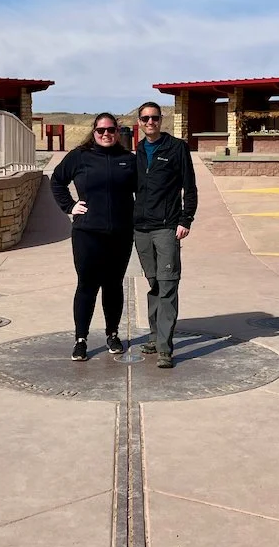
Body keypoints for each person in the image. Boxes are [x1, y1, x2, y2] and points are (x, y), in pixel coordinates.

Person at [50, 113, 137, 362]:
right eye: (101, 131)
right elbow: (57, 181)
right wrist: (69, 206)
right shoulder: (80, 156)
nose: (106, 134)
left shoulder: (128, 160)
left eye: (111, 130)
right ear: (94, 132)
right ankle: (81, 339)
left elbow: (143, 191)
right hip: (87, 233)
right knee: (87, 286)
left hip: (120, 234)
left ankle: (112, 334)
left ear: (117, 131)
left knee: (113, 285)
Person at [132, 102, 197, 370]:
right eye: (145, 118)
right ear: (139, 121)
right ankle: (154, 336)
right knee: (154, 284)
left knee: (168, 284)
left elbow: (189, 188)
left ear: (161, 120)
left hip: (167, 227)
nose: (150, 122)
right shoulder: (137, 150)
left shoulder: (177, 148)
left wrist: (185, 219)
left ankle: (164, 348)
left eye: (155, 118)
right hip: (141, 229)